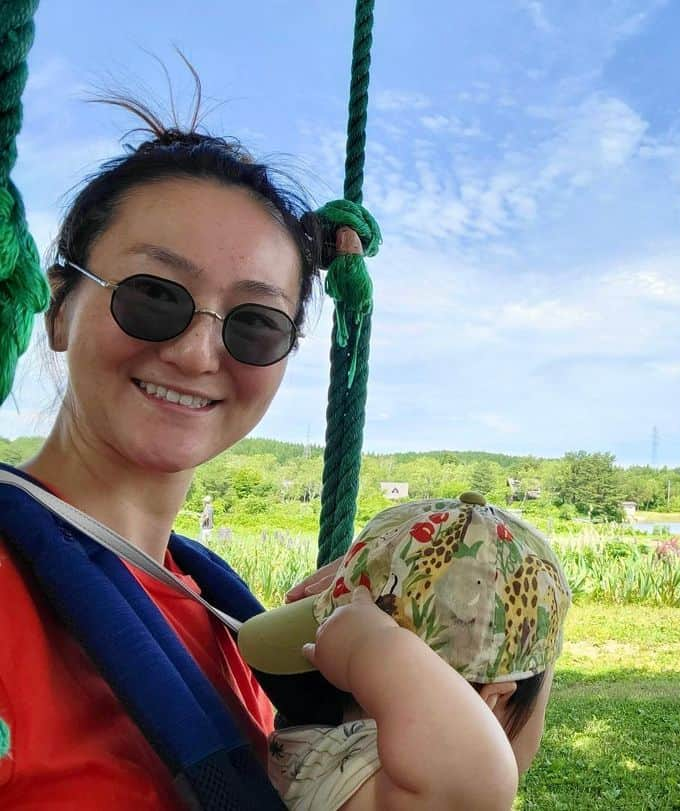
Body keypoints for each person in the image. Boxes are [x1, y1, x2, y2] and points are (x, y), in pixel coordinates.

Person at [0, 91, 343, 809]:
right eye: (154, 295)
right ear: (59, 308)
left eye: (254, 324)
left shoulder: (225, 615)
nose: (194, 353)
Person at [236, 491, 571, 811]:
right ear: (493, 701)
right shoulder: (359, 770)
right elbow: (478, 779)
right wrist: (370, 646)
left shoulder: (311, 756)